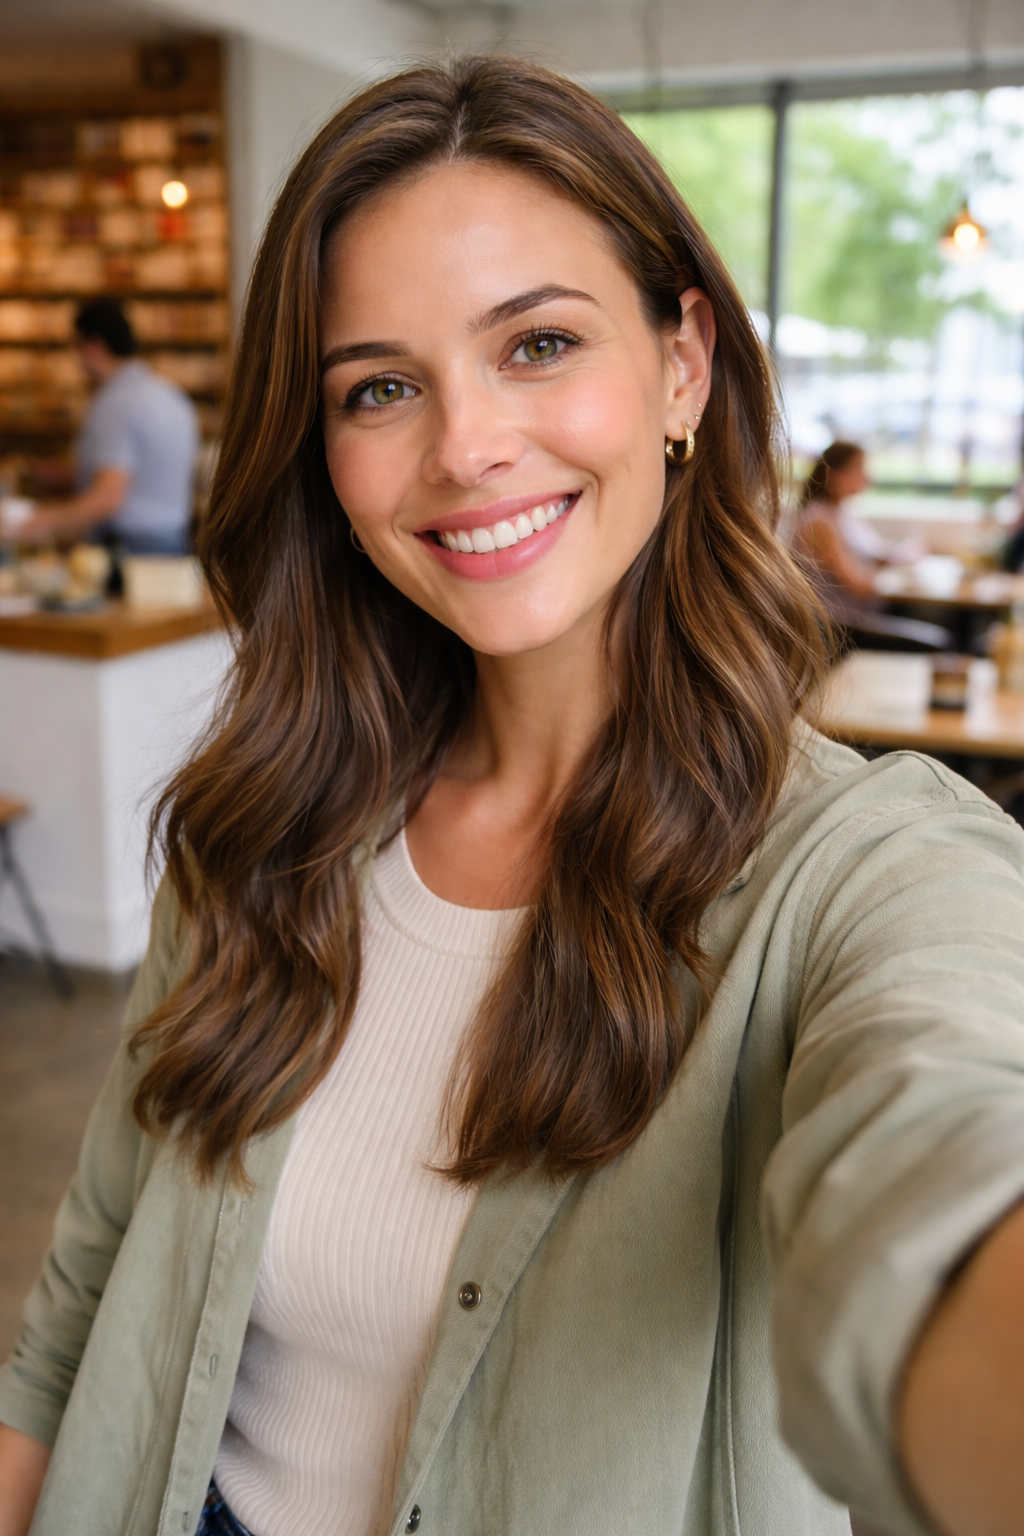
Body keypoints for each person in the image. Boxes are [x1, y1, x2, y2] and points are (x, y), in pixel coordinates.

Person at [1, 57, 1023, 1536]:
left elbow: (943, 1146)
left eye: (538, 344)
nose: (464, 447)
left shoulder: (861, 874)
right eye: (382, 386)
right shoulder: (268, 829)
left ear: (684, 363)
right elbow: (78, 1318)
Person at [12, 299, 199, 554]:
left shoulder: (113, 403)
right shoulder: (171, 396)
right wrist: (68, 475)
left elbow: (107, 498)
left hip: (128, 549)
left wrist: (39, 522)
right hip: (175, 543)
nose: (76, 362)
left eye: (77, 348)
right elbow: (143, 473)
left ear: (95, 346)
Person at [792, 441, 949, 649]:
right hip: (840, 626)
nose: (866, 478)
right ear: (835, 475)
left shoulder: (844, 512)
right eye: (858, 469)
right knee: (939, 642)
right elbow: (858, 586)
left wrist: (904, 555)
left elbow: (878, 555)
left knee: (935, 620)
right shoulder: (819, 521)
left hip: (862, 615)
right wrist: (897, 573)